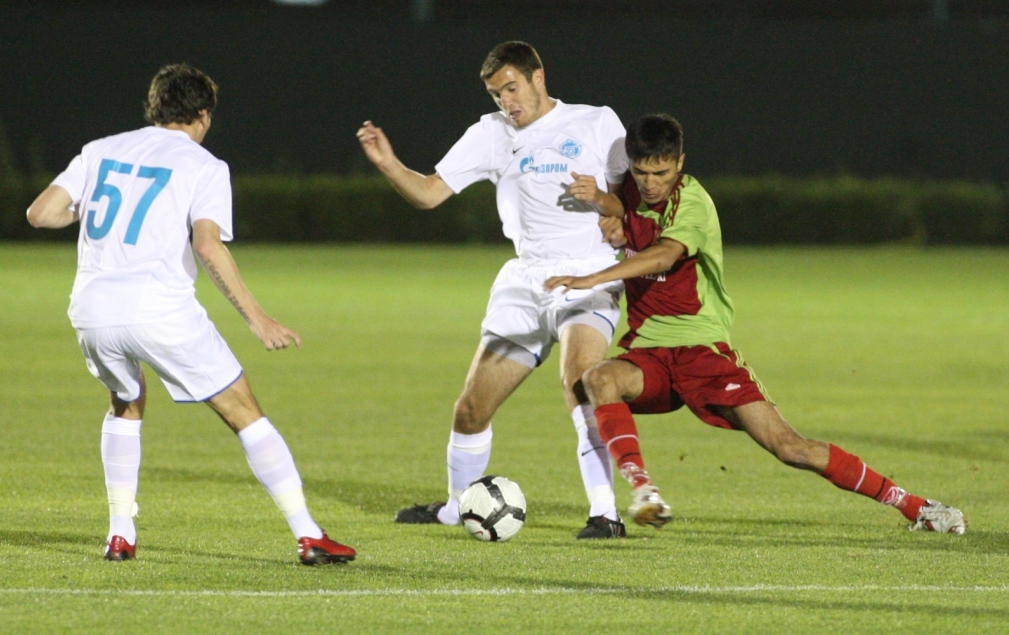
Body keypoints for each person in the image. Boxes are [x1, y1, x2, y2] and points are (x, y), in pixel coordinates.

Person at [544, 113, 966, 534]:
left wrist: (592, 278)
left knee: (790, 448)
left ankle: (914, 505)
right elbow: (628, 206)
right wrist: (601, 199)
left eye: (662, 172)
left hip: (702, 353)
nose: (651, 182)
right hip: (649, 354)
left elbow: (664, 256)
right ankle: (643, 491)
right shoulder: (636, 192)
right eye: (641, 172)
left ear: (680, 163)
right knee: (599, 378)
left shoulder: (692, 202)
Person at [26, 64, 357, 564]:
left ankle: (120, 534)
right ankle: (309, 534)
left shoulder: (100, 150)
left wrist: (87, 212)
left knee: (126, 403)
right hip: (159, 310)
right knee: (244, 412)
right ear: (202, 115)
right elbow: (207, 245)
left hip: (92, 312)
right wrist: (256, 318)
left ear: (154, 108)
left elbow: (41, 213)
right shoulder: (204, 165)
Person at [357, 41, 632, 538]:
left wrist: (613, 215)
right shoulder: (490, 135)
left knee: (581, 384)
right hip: (526, 282)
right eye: (496, 94)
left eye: (511, 88)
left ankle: (605, 514)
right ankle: (456, 507)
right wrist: (389, 164)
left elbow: (634, 199)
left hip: (588, 276)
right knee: (469, 409)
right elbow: (429, 193)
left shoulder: (597, 122)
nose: (506, 102)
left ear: (538, 77)